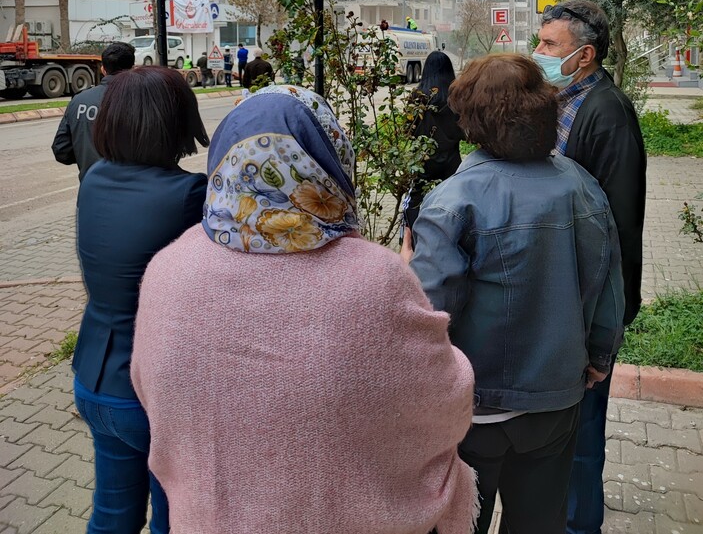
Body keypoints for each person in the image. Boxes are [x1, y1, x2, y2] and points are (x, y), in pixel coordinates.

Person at [131, 85, 479, 534]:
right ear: (330, 158)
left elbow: (151, 391)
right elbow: (444, 401)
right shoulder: (375, 278)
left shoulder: (169, 268)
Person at [405, 54, 625, 534]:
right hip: (556, 400)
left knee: (460, 524)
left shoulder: (453, 200)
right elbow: (608, 286)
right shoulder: (582, 186)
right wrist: (600, 356)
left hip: (474, 409)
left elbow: (427, 316)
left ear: (472, 119)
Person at [72, 66, 208, 534]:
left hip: (94, 378)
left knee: (112, 516)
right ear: (176, 122)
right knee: (172, 521)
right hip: (152, 391)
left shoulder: (93, 180)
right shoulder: (190, 193)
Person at [533, 0, 646, 534]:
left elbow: (620, 224)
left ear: (585, 56)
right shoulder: (560, 100)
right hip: (561, 290)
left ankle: (581, 526)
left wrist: (609, 317)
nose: (540, 53)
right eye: (540, 42)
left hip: (589, 298)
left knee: (582, 435)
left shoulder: (607, 111)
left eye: (551, 45)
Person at [402, 50, 466, 236]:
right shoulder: (456, 98)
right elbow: (465, 131)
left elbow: (408, 130)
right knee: (453, 201)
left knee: (414, 202)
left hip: (423, 161)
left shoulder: (417, 97)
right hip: (452, 161)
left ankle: (411, 240)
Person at [52, 41, 135, 181]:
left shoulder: (79, 100)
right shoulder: (143, 100)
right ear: (132, 68)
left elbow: (62, 151)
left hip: (90, 193)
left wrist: (87, 156)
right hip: (133, 192)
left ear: (103, 69)